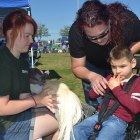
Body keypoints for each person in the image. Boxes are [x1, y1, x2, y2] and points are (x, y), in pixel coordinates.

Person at [68, 0, 140, 108]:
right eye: (92, 38)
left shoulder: (127, 20)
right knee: (95, 107)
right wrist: (91, 76)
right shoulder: (76, 32)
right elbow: (77, 66)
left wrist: (124, 55)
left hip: (120, 65)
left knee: (124, 105)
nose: (99, 41)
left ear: (110, 22)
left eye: (103, 34)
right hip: (93, 66)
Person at [0, 10, 59, 140]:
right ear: (11, 34)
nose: (31, 40)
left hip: (16, 116)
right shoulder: (3, 62)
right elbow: (2, 108)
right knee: (64, 122)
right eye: (27, 36)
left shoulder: (22, 62)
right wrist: (37, 99)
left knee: (61, 114)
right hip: (5, 126)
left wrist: (45, 100)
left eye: (32, 36)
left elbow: (23, 97)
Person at [71, 46, 140, 140]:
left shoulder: (137, 82)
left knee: (104, 137)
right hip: (99, 115)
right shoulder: (110, 78)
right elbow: (92, 95)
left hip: (119, 120)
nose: (117, 71)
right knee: (77, 131)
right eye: (113, 67)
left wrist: (116, 89)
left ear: (132, 63)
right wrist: (103, 86)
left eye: (122, 66)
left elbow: (135, 108)